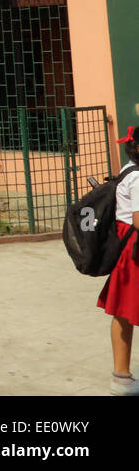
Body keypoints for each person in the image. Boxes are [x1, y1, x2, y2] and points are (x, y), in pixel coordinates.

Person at [100, 125, 139, 395]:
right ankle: (121, 378)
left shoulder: (127, 170)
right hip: (134, 248)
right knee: (124, 311)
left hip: (128, 246)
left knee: (123, 312)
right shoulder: (137, 177)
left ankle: (122, 377)